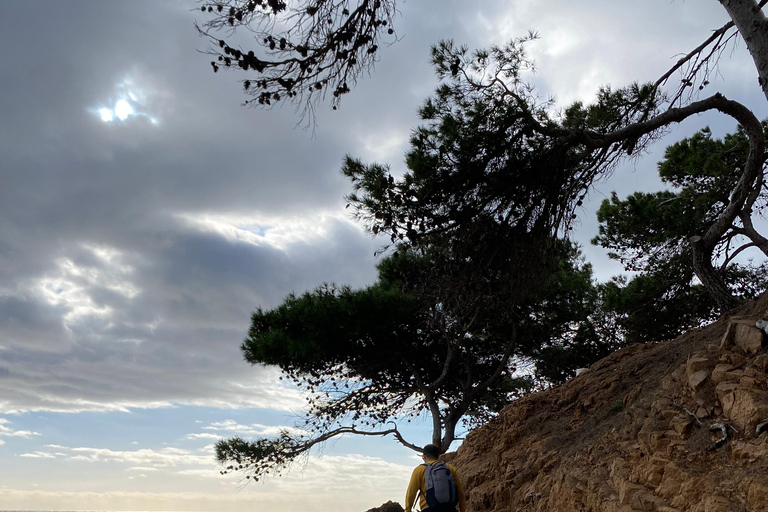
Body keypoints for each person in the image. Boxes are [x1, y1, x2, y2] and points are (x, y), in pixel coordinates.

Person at [405, 444, 466, 512]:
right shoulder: (449, 468)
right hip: (450, 509)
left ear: (424, 457)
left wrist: (407, 510)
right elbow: (460, 493)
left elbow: (411, 493)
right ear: (438, 456)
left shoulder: (419, 470)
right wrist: (462, 510)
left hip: (429, 509)